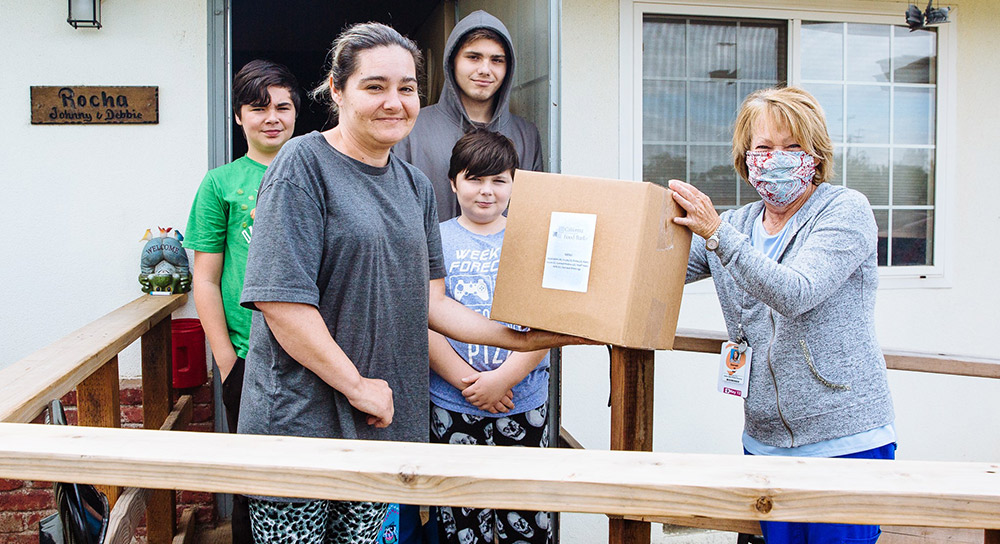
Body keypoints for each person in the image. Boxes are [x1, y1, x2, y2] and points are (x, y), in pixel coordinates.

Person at [237, 23, 590, 544]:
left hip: (381, 425)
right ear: (336, 90)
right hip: (303, 423)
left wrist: (526, 339)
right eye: (374, 86)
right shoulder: (302, 165)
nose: (394, 102)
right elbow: (282, 303)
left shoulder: (415, 186)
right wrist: (357, 387)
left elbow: (430, 302)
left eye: (406, 88)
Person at [668, 86, 896, 544]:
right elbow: (651, 269)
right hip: (764, 441)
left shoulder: (844, 210)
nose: (778, 158)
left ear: (815, 154)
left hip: (844, 441)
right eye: (765, 147)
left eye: (793, 147)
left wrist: (715, 234)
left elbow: (797, 291)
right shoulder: (737, 224)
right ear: (746, 156)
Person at [183, 58, 299, 544]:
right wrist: (227, 362)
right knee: (255, 479)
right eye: (259, 107)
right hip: (249, 356)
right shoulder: (220, 183)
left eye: (284, 106)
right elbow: (204, 280)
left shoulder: (321, 172)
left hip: (320, 352)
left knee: (314, 476)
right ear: (238, 117)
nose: (273, 117)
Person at [428, 129, 552, 544]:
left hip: (523, 399)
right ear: (453, 182)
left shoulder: (532, 239)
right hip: (452, 401)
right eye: (474, 179)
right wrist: (470, 383)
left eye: (499, 180)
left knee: (527, 517)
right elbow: (424, 318)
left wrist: (504, 378)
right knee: (461, 522)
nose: (486, 191)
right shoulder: (435, 239)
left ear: (515, 183)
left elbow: (549, 322)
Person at [394, 10, 544, 222]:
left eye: (497, 60)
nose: (485, 69)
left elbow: (533, 216)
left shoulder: (526, 135)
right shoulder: (412, 129)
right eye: (473, 57)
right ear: (452, 62)